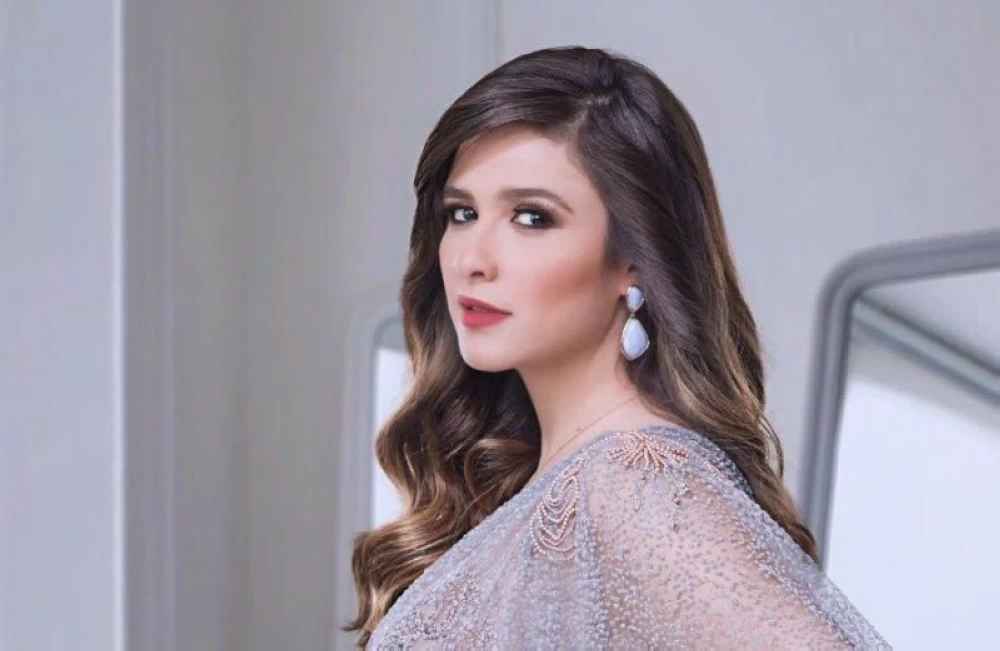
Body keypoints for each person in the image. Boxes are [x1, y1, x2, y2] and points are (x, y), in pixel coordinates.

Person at [344, 45, 888, 649]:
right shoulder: (541, 480)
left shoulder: (632, 481)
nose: (472, 259)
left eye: (531, 218)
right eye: (462, 213)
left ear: (634, 256)